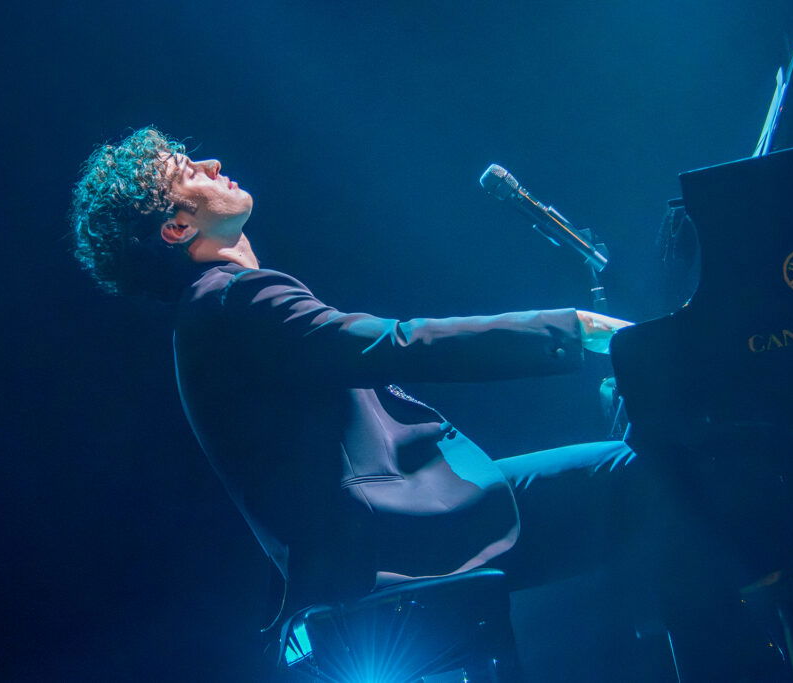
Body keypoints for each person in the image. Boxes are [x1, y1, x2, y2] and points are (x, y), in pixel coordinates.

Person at [70, 127, 637, 631]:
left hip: (389, 541)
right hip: (401, 546)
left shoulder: (210, 311)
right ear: (176, 227)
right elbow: (397, 344)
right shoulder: (233, 299)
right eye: (189, 170)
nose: (212, 163)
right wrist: (572, 327)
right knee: (647, 471)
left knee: (640, 474)